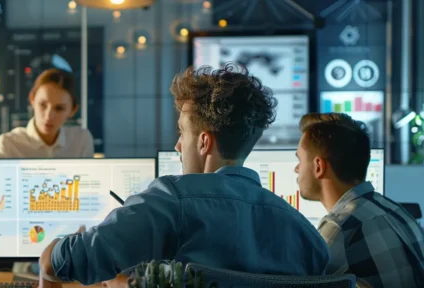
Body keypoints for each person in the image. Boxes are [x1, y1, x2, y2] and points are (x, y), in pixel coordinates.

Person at [38, 64, 329, 286]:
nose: (178, 145)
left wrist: (52, 251)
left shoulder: (170, 202)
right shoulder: (306, 236)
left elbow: (62, 263)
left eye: (182, 132)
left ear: (204, 142)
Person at [295, 112, 424, 287]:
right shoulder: (396, 210)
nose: (296, 169)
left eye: (300, 160)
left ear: (319, 166)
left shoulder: (341, 228)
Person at [0, 68, 93, 158]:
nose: (49, 116)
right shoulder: (6, 146)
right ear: (32, 99)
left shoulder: (81, 141)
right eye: (43, 105)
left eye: (59, 108)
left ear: (73, 110)